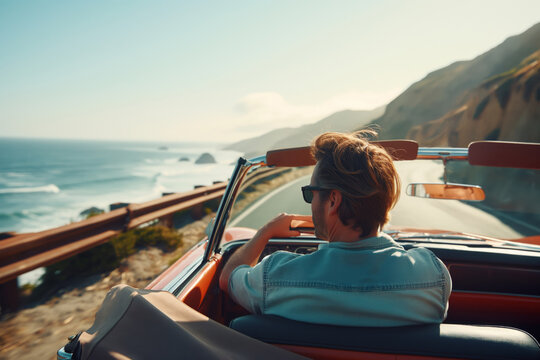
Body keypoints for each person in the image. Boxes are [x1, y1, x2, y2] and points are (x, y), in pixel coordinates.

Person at [219, 130, 452, 327]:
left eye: (311, 193)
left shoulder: (275, 276)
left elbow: (228, 278)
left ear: (333, 200)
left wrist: (266, 231)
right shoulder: (432, 276)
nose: (310, 203)